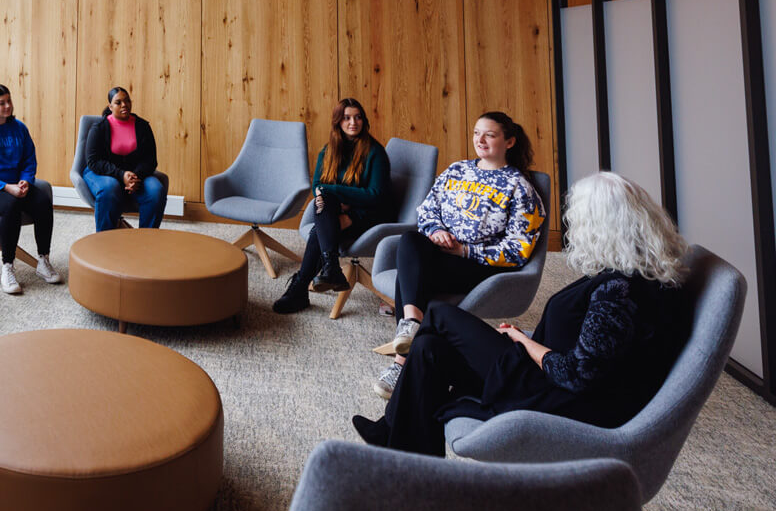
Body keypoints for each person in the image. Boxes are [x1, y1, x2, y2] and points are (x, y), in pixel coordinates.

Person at [352, 172, 689, 457]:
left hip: (549, 392)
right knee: (429, 350)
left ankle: (393, 427)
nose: (574, 229)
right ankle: (409, 461)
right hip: (540, 373)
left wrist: (522, 341)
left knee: (438, 315)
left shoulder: (621, 290)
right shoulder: (635, 275)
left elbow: (577, 375)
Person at [374, 111, 545, 399]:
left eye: (490, 134)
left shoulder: (520, 187)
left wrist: (465, 249)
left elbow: (519, 250)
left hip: (477, 265)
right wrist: (437, 230)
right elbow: (426, 210)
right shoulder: (457, 170)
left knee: (412, 275)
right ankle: (412, 323)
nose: (480, 140)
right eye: (477, 133)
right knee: (411, 241)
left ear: (510, 141)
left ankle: (401, 363)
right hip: (440, 252)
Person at [273, 98, 391, 314]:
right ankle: (330, 268)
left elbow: (376, 196)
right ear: (338, 122)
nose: (353, 122)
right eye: (346, 118)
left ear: (364, 121)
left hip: (369, 214)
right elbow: (318, 185)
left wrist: (334, 192)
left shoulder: (376, 153)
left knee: (321, 227)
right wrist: (330, 194)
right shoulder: (328, 150)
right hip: (336, 209)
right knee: (324, 205)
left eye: (357, 117)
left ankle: (302, 285)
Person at [0, 83, 62, 294]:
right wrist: (7, 187)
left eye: (9, 101)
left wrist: (26, 180)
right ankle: (7, 266)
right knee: (11, 205)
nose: (8, 106)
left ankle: (43, 260)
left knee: (43, 201)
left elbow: (28, 159)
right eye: (1, 103)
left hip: (15, 184)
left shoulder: (19, 128)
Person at [82, 86, 168, 232]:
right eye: (118, 102)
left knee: (156, 190)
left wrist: (135, 177)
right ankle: (104, 241)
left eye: (127, 101)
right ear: (110, 106)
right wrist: (121, 175)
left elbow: (151, 160)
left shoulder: (142, 126)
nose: (124, 105)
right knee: (109, 188)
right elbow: (93, 161)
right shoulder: (99, 128)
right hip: (102, 173)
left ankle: (147, 240)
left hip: (136, 173)